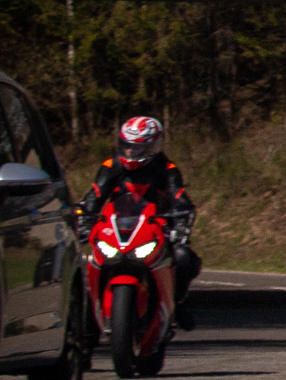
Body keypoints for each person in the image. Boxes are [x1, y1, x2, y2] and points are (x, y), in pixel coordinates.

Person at [77, 115, 203, 330]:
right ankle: (85, 312)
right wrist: (84, 221)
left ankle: (177, 302)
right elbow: (93, 197)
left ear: (152, 147)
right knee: (86, 262)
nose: (129, 152)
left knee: (183, 257)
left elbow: (179, 198)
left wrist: (181, 225)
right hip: (117, 229)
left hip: (154, 228)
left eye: (137, 148)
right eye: (126, 146)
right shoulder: (110, 166)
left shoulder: (167, 168)